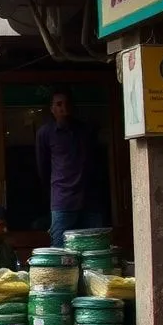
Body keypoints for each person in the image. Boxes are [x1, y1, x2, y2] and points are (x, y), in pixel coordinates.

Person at [37, 88, 102, 248]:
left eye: (67, 104)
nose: (63, 108)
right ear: (52, 109)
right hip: (63, 199)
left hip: (89, 199)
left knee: (92, 248)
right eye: (59, 104)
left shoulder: (85, 130)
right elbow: (43, 167)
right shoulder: (45, 133)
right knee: (60, 248)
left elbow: (94, 161)